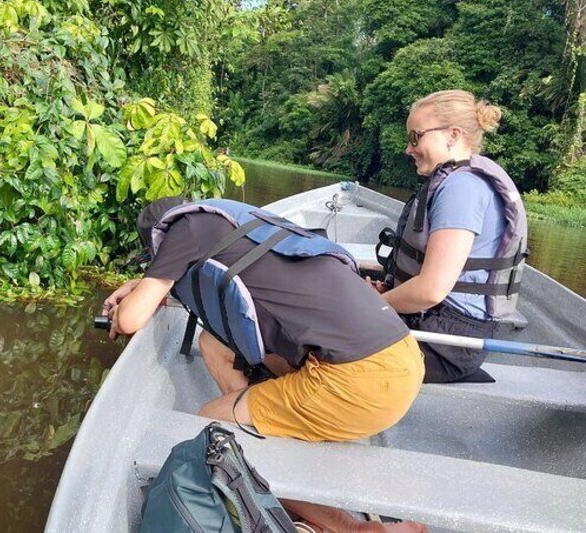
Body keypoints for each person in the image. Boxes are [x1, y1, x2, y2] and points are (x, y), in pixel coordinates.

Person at [104, 197, 427, 533]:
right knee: (212, 342)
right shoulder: (229, 223)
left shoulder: (181, 230)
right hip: (403, 358)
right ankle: (260, 423)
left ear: (158, 240)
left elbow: (129, 320)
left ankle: (350, 527)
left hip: (358, 383)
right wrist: (145, 286)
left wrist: (138, 293)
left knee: (211, 425)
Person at [370, 90, 528, 383]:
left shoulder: (461, 188)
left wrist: (373, 305)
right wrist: (386, 293)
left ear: (453, 135)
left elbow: (430, 291)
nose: (408, 148)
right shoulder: (454, 181)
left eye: (415, 137)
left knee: (323, 339)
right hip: (435, 324)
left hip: (446, 344)